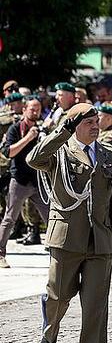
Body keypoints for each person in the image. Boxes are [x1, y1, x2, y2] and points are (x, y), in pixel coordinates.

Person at [28, 103, 112, 343]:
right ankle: (49, 333)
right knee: (57, 296)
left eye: (97, 121)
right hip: (67, 238)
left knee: (96, 302)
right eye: (88, 123)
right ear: (73, 126)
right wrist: (62, 133)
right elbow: (33, 159)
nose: (95, 126)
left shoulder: (110, 155)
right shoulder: (59, 152)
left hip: (100, 240)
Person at [0, 99, 50, 269]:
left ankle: (60, 252)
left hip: (37, 181)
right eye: (32, 109)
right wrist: (29, 138)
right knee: (10, 218)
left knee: (51, 217)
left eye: (38, 109)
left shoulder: (42, 129)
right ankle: (0, 254)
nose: (35, 112)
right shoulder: (15, 128)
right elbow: (9, 152)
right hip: (20, 180)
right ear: (24, 109)